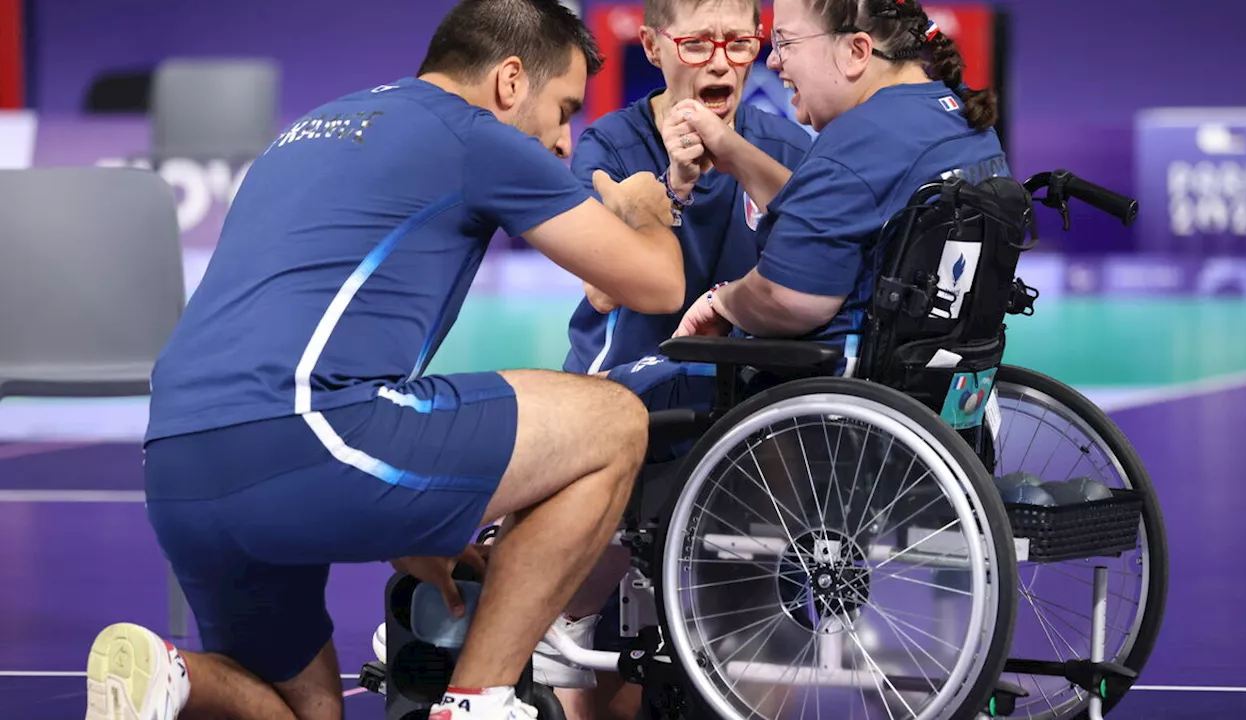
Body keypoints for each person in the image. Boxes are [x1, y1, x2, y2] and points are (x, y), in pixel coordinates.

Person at [82, 1, 690, 719]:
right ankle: (480, 700)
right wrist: (653, 202)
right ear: (509, 80)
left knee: (307, 711)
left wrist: (410, 523)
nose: (562, 141)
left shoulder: (308, 129)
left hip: (177, 462)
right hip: (308, 434)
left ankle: (173, 675)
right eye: (562, 109)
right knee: (614, 419)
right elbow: (657, 286)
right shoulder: (473, 137)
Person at [538, 1, 812, 716]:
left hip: (749, 405)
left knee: (762, 611)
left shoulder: (789, 146)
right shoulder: (609, 144)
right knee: (586, 619)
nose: (721, 60)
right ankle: (560, 623)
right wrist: (676, 188)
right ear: (654, 46)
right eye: (697, 43)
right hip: (627, 384)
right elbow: (601, 286)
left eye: (739, 41)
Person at [670, 0, 1008, 385]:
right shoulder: (960, 119)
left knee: (627, 397)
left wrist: (722, 301)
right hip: (937, 392)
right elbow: (836, 217)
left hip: (832, 406)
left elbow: (788, 299)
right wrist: (730, 150)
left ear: (855, 52)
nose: (775, 62)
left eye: (785, 43)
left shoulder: (859, 140)